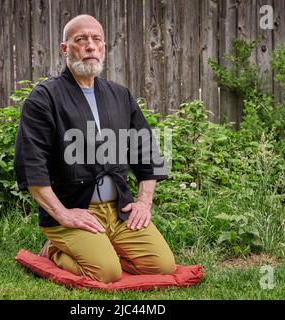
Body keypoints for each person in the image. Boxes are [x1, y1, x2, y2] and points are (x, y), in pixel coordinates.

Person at [14, 14, 175, 284]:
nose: (90, 46)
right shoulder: (44, 98)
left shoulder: (120, 95)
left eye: (96, 39)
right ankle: (55, 251)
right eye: (81, 40)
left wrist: (144, 203)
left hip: (119, 210)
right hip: (74, 209)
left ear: (103, 47)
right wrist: (62, 214)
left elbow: (146, 150)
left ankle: (103, 246)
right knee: (106, 273)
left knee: (163, 266)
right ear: (65, 48)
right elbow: (31, 164)